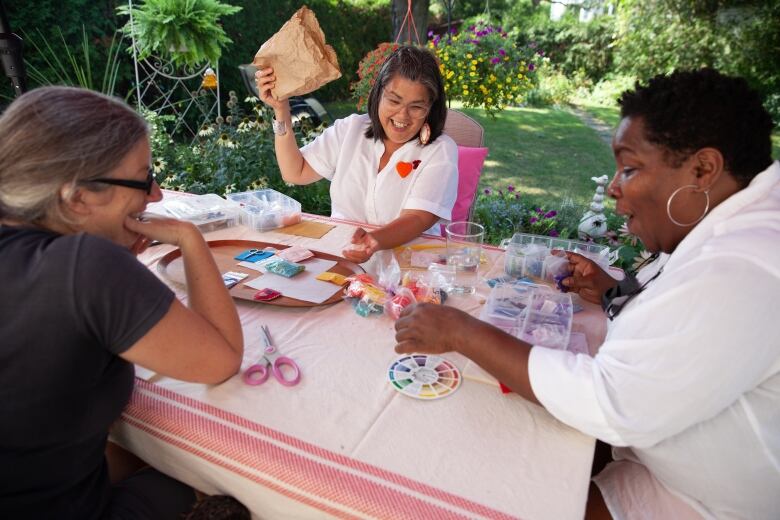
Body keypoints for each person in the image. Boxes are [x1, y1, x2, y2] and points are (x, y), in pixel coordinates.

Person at [394, 68, 779, 519]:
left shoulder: (740, 269)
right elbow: (679, 320)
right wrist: (615, 290)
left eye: (630, 169)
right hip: (660, 457)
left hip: (706, 501)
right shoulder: (740, 228)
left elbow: (609, 402)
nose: (614, 188)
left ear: (703, 169)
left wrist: (462, 332)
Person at [0, 86, 245, 518]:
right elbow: (222, 358)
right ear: (76, 198)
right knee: (223, 477)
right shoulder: (85, 266)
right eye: (143, 178)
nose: (157, 196)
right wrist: (190, 240)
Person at [255, 45, 458, 263]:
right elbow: (295, 172)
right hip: (343, 262)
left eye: (416, 107)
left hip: (409, 276)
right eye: (394, 100)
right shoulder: (350, 129)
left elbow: (418, 218)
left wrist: (373, 241)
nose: (403, 115)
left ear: (430, 108)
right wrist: (281, 110)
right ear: (378, 94)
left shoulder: (441, 151)